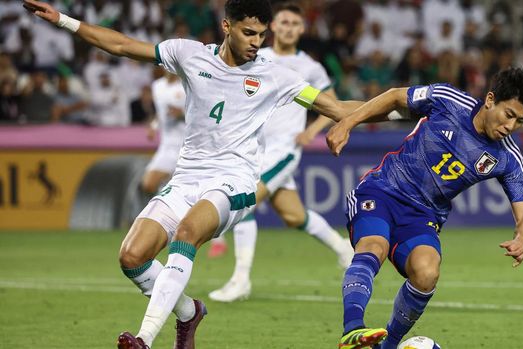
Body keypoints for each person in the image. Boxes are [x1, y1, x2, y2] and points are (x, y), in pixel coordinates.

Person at [23, 1, 359, 348]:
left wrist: (403, 103)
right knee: (132, 257)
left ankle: (144, 338)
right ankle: (188, 312)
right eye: (248, 33)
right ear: (227, 27)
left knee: (187, 233)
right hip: (186, 179)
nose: (257, 42)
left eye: (261, 34)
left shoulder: (276, 76)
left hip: (235, 181)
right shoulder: (189, 55)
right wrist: (63, 20)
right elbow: (122, 45)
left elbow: (336, 108)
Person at [327, 67, 523, 349]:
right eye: (509, 115)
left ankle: (388, 344)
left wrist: (521, 239)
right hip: (382, 191)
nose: (510, 127)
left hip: (423, 215)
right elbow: (394, 97)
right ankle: (353, 330)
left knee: (427, 272)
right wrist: (348, 122)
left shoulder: (508, 158)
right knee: (373, 247)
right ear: (490, 100)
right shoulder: (448, 100)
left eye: (520, 121)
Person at [207, 2, 354, 303]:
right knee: (293, 215)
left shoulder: (311, 67)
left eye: (294, 24)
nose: (288, 28)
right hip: (251, 149)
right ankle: (344, 250)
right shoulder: (256, 56)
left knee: (242, 203)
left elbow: (333, 105)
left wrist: (312, 131)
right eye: (283, 22)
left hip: (283, 150)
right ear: (273, 26)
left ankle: (240, 280)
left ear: (302, 29)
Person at [141, 71, 185, 196]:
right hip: (166, 146)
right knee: (148, 185)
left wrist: (182, 113)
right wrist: (154, 126)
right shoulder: (157, 86)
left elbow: (202, 116)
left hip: (186, 147)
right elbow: (160, 112)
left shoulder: (187, 85)